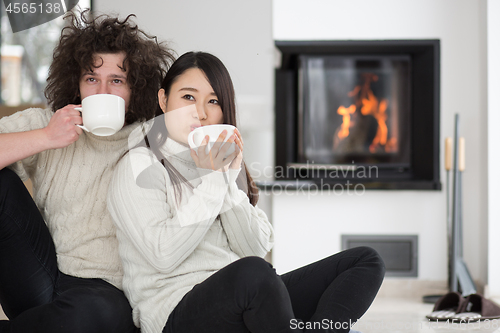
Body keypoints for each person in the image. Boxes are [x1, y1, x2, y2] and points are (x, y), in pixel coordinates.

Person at [107, 51, 385, 333]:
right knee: (253, 274)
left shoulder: (219, 165)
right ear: (164, 100)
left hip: (244, 299)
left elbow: (256, 247)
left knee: (365, 261)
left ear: (224, 111)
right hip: (177, 313)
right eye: (188, 97)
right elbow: (163, 255)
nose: (200, 113)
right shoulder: (139, 166)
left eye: (213, 101)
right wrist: (214, 180)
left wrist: (223, 178)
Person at [0, 9, 174, 333]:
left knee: (100, 310)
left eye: (117, 81)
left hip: (106, 295)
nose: (103, 92)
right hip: (42, 276)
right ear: (77, 83)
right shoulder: (52, 123)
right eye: (92, 79)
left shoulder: (153, 137)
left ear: (136, 88)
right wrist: (46, 137)